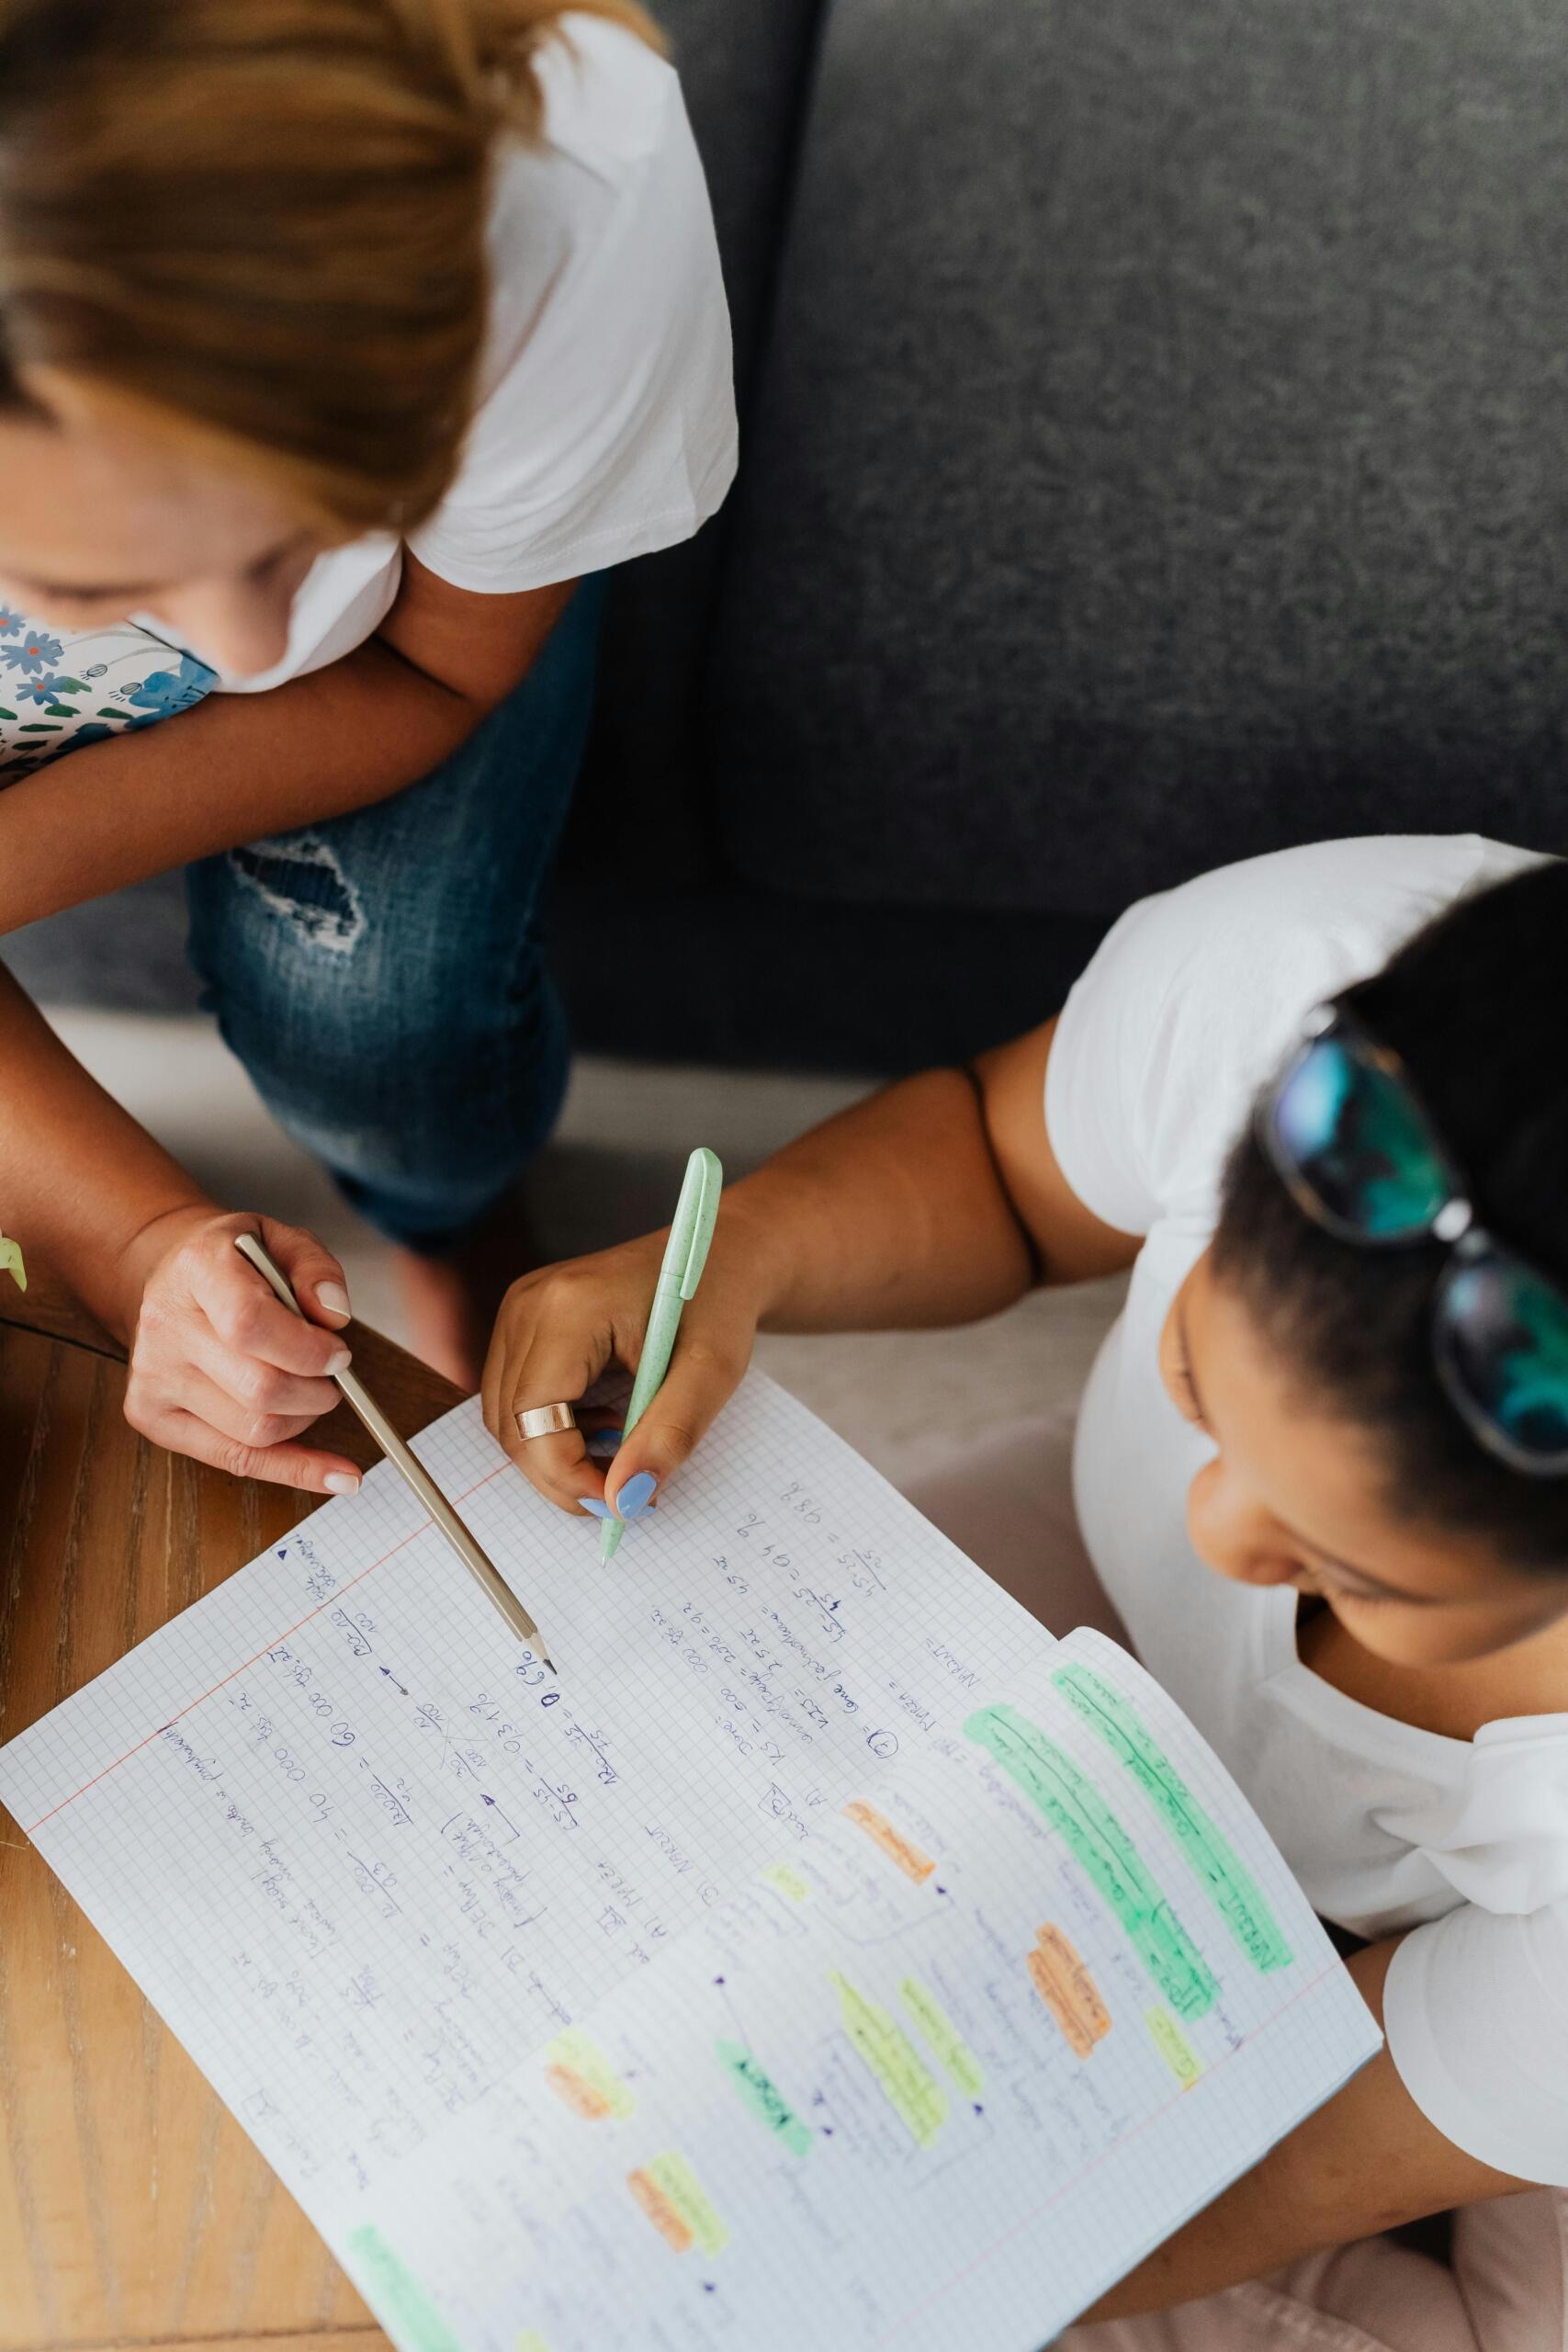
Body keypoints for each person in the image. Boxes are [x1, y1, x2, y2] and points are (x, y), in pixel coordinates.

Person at [484, 834, 1568, 2349]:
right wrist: (744, 1250)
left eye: (1353, 1569)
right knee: (642, 1782)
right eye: (1197, 1377)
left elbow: (1248, 2179)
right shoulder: (1303, 977)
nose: (1212, 1523)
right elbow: (999, 1163)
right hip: (1096, 1615)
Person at [0, 0, 734, 1478]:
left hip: (422, 648)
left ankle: (448, 1212)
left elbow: (426, 671)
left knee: (383, 1014)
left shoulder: (561, 180)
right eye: (92, 582)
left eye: (318, 528)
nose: (255, 654)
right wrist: (131, 1239)